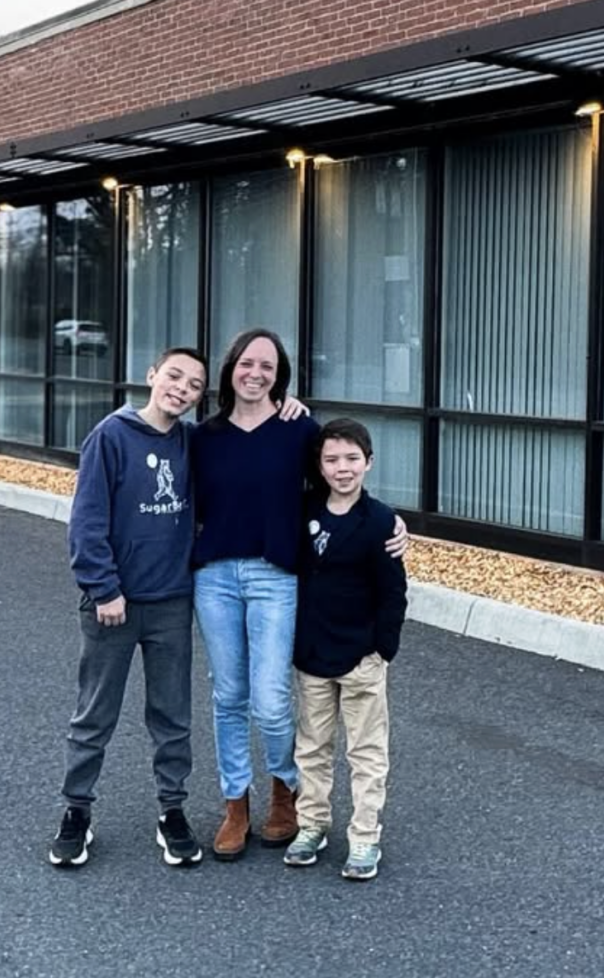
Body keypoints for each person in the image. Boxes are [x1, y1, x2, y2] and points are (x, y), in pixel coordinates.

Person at [191, 327, 407, 860]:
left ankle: (286, 789)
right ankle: (236, 804)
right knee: (228, 696)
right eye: (247, 363)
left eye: (267, 365)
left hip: (273, 577)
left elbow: (342, 474)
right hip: (214, 578)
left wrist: (389, 524)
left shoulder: (298, 429)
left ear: (279, 374)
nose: (255, 373)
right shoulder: (204, 435)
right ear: (230, 368)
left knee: (269, 701)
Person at [48, 347, 213, 870]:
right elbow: (87, 523)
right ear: (151, 377)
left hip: (170, 603)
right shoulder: (110, 436)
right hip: (113, 606)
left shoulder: (192, 441)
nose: (181, 389)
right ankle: (76, 810)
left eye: (193, 385)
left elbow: (248, 434)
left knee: (172, 715)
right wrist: (104, 589)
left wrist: (290, 404)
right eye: (174, 376)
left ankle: (172, 810)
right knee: (94, 714)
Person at [284, 419, 407, 881]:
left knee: (366, 751)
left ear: (369, 463)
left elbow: (394, 593)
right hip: (313, 655)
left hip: (361, 658)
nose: (342, 468)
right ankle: (312, 823)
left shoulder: (380, 523)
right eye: (332, 459)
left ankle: (364, 836)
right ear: (318, 465)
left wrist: (382, 650)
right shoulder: (303, 511)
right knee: (312, 746)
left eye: (352, 459)